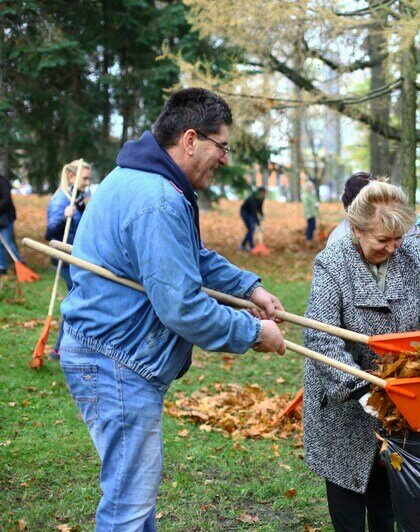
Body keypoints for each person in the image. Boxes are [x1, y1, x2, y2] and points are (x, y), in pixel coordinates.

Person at [58, 88, 286, 530]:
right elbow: (182, 308)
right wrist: (255, 334)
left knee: (134, 501)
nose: (224, 158)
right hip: (114, 362)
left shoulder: (136, 179)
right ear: (189, 140)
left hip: (108, 354)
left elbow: (190, 257)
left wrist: (249, 288)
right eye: (221, 146)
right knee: (128, 507)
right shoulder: (157, 199)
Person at [304, 181, 420, 532]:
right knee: (348, 503)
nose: (392, 248)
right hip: (345, 403)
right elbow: (320, 337)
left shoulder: (410, 255)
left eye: (397, 238)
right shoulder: (332, 263)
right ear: (357, 230)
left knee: (388, 503)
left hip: (402, 397)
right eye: (382, 241)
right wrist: (360, 389)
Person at [327, 172, 420, 265]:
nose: (390, 248)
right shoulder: (392, 222)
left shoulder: (335, 235)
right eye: (382, 240)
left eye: (397, 238)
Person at [45, 160, 93, 359]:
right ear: (72, 177)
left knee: (78, 299)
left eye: (89, 178)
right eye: (84, 178)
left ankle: (65, 346)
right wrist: (64, 216)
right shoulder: (61, 200)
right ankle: (59, 348)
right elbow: (49, 233)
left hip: (75, 257)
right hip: (64, 260)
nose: (87, 182)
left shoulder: (78, 197)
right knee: (77, 299)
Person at [0, 172, 22, 277]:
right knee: (0, 245)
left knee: (7, 242)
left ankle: (21, 264)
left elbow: (5, 200)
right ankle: (2, 267)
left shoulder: (3, 182)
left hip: (6, 218)